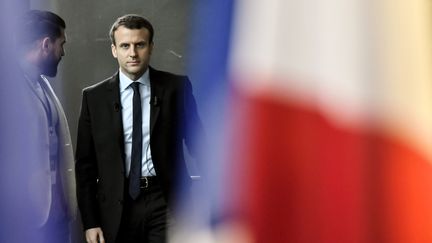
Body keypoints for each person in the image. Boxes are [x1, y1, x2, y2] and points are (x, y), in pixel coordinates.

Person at [75, 14, 202, 243]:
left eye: (139, 45)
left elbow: (200, 146)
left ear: (150, 47)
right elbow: (85, 166)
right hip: (115, 204)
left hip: (166, 202)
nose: (132, 53)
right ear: (114, 50)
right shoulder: (93, 98)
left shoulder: (177, 88)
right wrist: (90, 221)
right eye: (125, 46)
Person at [0, 10, 79, 243]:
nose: (62, 52)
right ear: (46, 44)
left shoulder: (42, 83)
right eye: (61, 44)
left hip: (56, 214)